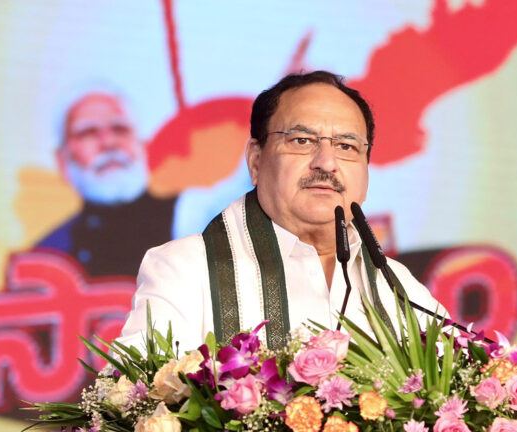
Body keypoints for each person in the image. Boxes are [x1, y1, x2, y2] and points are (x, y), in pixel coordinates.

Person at [119, 71, 447, 351]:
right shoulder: (184, 269)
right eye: (302, 140)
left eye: (346, 146)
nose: (327, 163)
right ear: (256, 160)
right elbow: (133, 403)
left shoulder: (397, 286)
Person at [34, 92, 175, 277]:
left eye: (120, 129)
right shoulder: (49, 256)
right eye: (88, 133)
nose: (108, 143)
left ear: (143, 146)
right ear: (62, 160)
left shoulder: (191, 223)